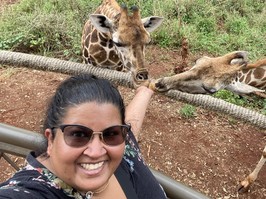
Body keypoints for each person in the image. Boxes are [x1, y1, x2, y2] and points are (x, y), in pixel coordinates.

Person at [0, 74, 167, 199]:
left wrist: (145, 91)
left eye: (110, 133)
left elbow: (132, 125)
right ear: (51, 139)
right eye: (78, 135)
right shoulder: (32, 191)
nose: (96, 152)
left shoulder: (122, 147)